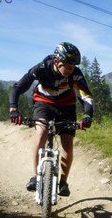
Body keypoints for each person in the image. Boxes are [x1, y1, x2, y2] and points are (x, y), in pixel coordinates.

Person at [9, 42, 94, 197]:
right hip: (44, 103)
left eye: (73, 66)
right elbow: (18, 87)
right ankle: (35, 177)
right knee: (41, 132)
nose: (70, 69)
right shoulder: (42, 68)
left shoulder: (76, 74)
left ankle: (63, 182)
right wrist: (14, 109)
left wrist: (88, 115)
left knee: (67, 143)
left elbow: (85, 96)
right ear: (56, 61)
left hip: (67, 106)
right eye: (67, 66)